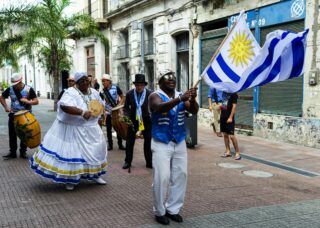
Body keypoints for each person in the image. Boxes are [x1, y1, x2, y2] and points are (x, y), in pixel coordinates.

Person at [30, 72, 108, 191]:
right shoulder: (70, 92)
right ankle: (70, 179)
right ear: (76, 83)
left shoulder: (94, 92)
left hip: (91, 128)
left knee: (96, 150)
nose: (86, 83)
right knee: (72, 153)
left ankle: (95, 175)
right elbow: (64, 106)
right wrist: (82, 112)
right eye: (82, 81)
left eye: (87, 80)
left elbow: (100, 105)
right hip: (73, 128)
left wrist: (100, 116)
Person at [148, 69, 199, 225]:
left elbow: (193, 110)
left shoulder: (180, 94)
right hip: (161, 141)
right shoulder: (154, 96)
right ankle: (159, 211)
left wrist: (193, 99)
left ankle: (173, 209)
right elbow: (160, 108)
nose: (171, 80)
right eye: (167, 78)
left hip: (179, 141)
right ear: (160, 82)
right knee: (162, 177)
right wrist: (180, 98)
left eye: (173, 78)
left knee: (181, 175)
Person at [0, 73, 39, 160]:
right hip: (13, 115)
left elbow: (36, 101)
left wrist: (28, 102)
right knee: (12, 134)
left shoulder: (29, 89)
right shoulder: (10, 89)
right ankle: (12, 152)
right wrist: (6, 107)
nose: (15, 86)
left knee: (25, 134)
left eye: (16, 84)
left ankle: (23, 152)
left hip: (26, 116)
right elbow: (1, 97)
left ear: (20, 81)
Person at [122, 74, 152, 170]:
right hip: (133, 120)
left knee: (148, 142)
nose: (139, 87)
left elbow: (154, 107)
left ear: (144, 85)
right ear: (135, 85)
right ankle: (128, 161)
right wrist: (126, 117)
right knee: (129, 142)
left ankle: (149, 161)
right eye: (137, 85)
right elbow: (126, 108)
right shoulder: (130, 94)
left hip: (146, 120)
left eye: (141, 85)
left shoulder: (150, 94)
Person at [100, 74, 126, 150]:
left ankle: (120, 144)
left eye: (104, 81)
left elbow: (123, 97)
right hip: (108, 112)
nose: (103, 83)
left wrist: (119, 105)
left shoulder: (116, 88)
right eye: (102, 81)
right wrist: (103, 111)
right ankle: (110, 145)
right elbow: (101, 102)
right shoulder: (103, 91)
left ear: (109, 81)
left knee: (118, 127)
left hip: (116, 112)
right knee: (108, 129)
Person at [220, 93, 241, 160]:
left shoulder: (233, 94)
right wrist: (221, 107)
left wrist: (231, 117)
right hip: (223, 116)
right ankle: (228, 151)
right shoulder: (224, 93)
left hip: (229, 118)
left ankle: (237, 153)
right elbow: (224, 104)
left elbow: (234, 107)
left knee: (231, 136)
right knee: (225, 135)